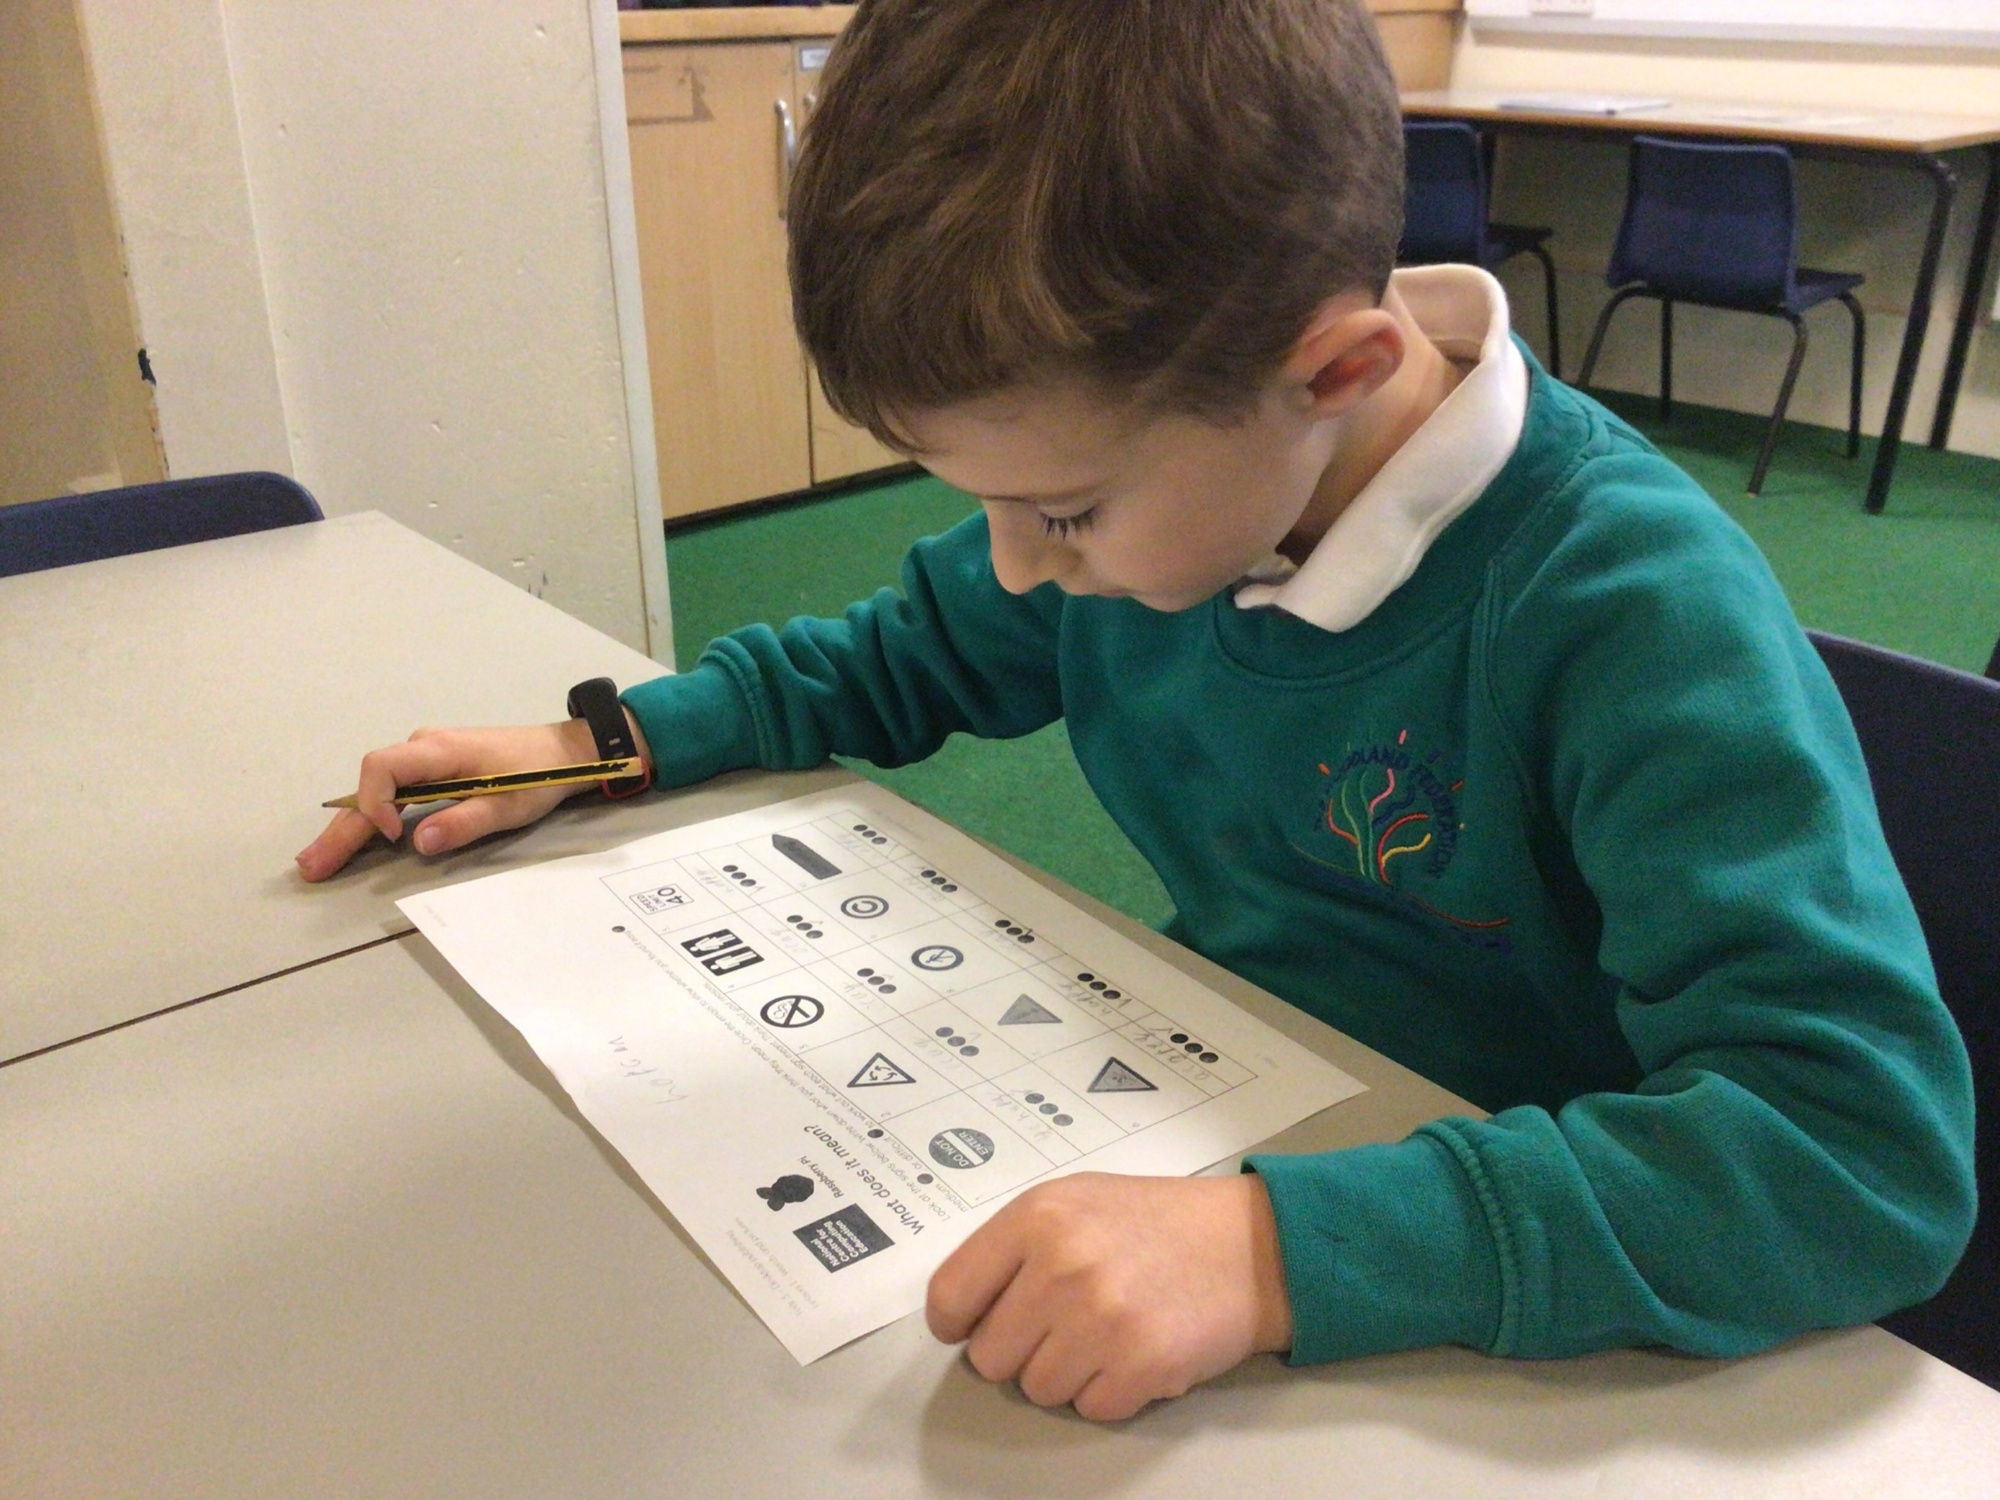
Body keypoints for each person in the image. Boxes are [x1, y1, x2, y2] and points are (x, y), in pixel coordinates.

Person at [299, 0, 1973, 1423]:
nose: (1017, 573)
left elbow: (1854, 1155)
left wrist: (1269, 1257)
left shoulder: (1630, 611)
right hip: (1223, 1118)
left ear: (1336, 374)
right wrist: (613, 741)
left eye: (1067, 513)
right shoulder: (1180, 490)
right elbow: (897, 654)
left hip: (1501, 1282)